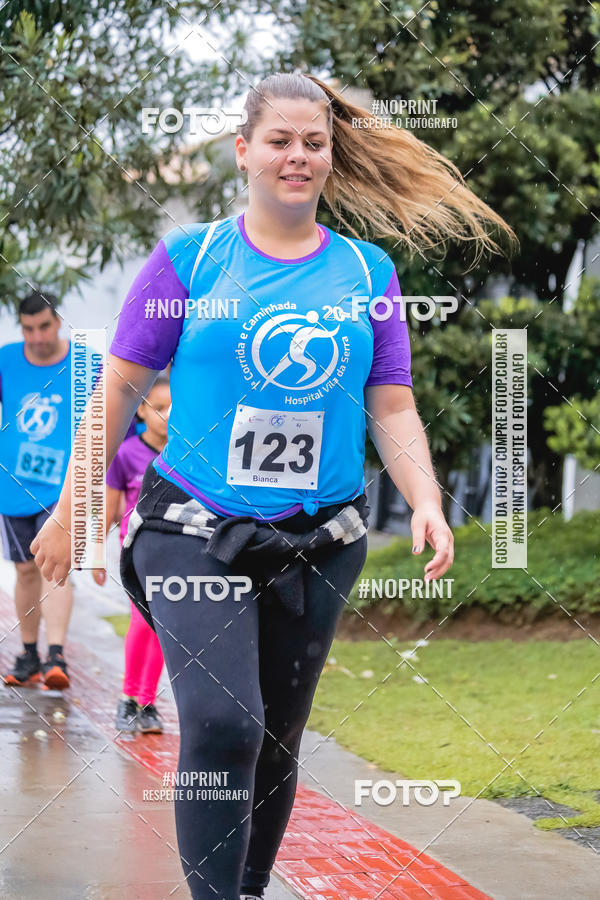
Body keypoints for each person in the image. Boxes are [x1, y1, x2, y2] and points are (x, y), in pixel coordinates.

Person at [31, 73, 517, 899]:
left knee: (278, 739)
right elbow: (115, 389)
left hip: (320, 541)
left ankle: (247, 890)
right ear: (243, 151)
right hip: (192, 529)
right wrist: (74, 507)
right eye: (280, 141)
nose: (298, 155)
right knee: (225, 724)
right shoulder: (189, 260)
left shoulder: (368, 272)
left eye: (314, 142)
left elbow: (391, 403)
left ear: (331, 155)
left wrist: (427, 498)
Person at [1, 291, 75, 690]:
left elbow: (112, 419)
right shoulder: (6, 359)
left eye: (44, 326)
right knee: (26, 570)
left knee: (56, 568)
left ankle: (56, 656)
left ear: (58, 321)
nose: (36, 337)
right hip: (12, 487)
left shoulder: (84, 364)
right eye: (28, 328)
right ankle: (29, 653)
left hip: (63, 490)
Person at [92, 375, 170, 734]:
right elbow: (110, 511)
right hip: (135, 552)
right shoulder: (126, 455)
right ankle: (131, 700)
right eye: (159, 408)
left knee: (161, 626)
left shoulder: (188, 455)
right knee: (144, 621)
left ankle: (147, 703)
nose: (167, 416)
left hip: (178, 551)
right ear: (141, 409)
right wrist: (95, 552)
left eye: (175, 408)